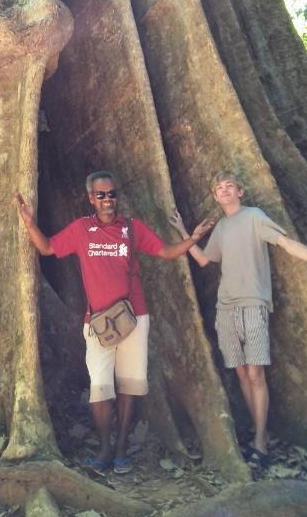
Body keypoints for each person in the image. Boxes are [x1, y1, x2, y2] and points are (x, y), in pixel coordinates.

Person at [16, 171, 214, 473]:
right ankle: (105, 448)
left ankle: (121, 450)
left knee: (129, 386)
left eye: (112, 194)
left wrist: (193, 239)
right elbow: (46, 248)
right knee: (100, 387)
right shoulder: (82, 229)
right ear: (91, 198)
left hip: (134, 318)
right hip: (97, 322)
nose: (108, 200)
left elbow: (165, 252)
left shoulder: (132, 229)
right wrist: (29, 223)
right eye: (101, 195)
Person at [170, 170, 307, 469]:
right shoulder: (222, 228)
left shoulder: (254, 216)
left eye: (230, 186)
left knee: (256, 375)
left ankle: (260, 440)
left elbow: (286, 244)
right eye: (219, 188)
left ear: (240, 192)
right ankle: (258, 435)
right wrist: (185, 233)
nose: (225, 191)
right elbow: (204, 260)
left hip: (253, 305)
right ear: (215, 196)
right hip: (226, 309)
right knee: (242, 374)